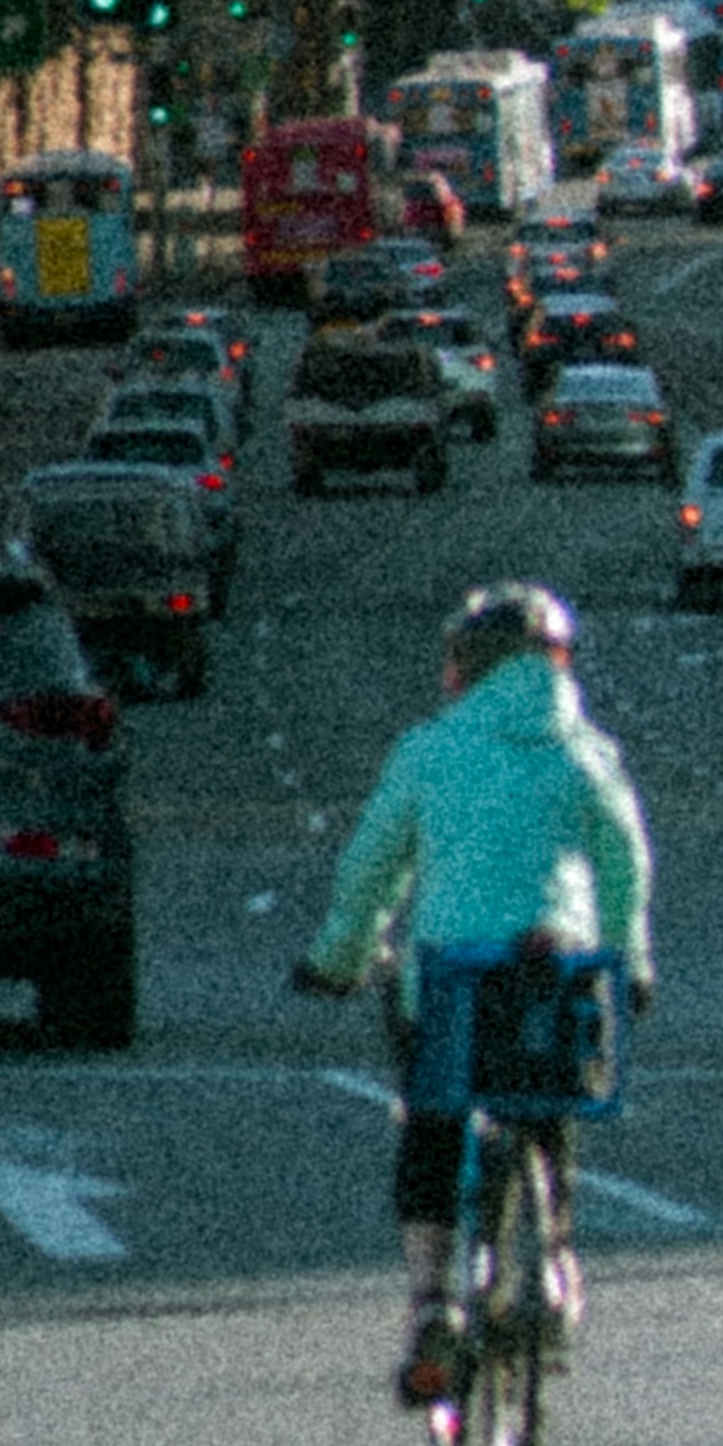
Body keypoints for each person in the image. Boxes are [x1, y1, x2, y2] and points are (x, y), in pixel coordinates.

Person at [298, 576, 656, 1403]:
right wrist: (631, 960)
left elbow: (371, 867)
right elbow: (625, 864)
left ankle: (432, 1301)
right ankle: (552, 1258)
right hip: (555, 969)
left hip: (452, 981)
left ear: (466, 665)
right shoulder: (587, 752)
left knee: (433, 1125)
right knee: (548, 1103)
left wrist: (341, 957)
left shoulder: (429, 750)